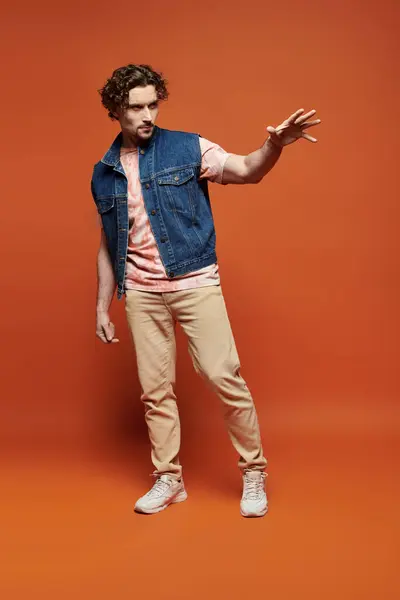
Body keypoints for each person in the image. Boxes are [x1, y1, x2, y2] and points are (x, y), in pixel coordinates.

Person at [91, 64, 320, 518]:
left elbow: (246, 170)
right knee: (155, 392)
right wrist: (102, 305)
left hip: (195, 281)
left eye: (153, 104)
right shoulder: (105, 172)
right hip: (140, 292)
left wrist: (274, 145)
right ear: (116, 110)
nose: (147, 115)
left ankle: (254, 471)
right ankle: (169, 480)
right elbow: (108, 242)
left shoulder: (189, 147)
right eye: (136, 107)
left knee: (223, 376)